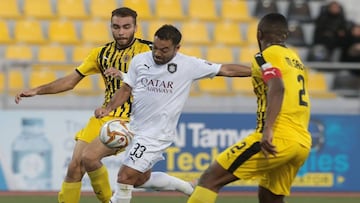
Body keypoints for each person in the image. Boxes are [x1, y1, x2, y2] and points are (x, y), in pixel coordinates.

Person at [14, 7, 194, 203]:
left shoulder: (150, 52)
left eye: (126, 27)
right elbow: (71, 81)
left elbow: (165, 83)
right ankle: (185, 186)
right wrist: (37, 90)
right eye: (116, 27)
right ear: (111, 27)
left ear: (135, 27)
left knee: (95, 160)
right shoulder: (101, 53)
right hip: (106, 115)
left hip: (134, 120)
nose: (121, 32)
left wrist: (124, 76)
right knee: (76, 165)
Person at [94, 24, 251, 203]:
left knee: (124, 177)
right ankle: (188, 187)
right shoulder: (140, 60)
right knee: (139, 179)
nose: (158, 53)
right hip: (135, 130)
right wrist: (108, 108)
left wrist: (257, 71)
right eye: (156, 48)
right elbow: (126, 89)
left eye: (164, 50)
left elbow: (225, 69)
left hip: (156, 135)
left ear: (177, 48)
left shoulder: (188, 65)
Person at [187, 13, 312, 203]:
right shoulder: (295, 60)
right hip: (301, 142)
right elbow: (264, 75)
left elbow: (277, 87)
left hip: (277, 137)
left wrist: (268, 129)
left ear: (259, 34)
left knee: (210, 179)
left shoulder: (264, 56)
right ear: (285, 36)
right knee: (270, 197)